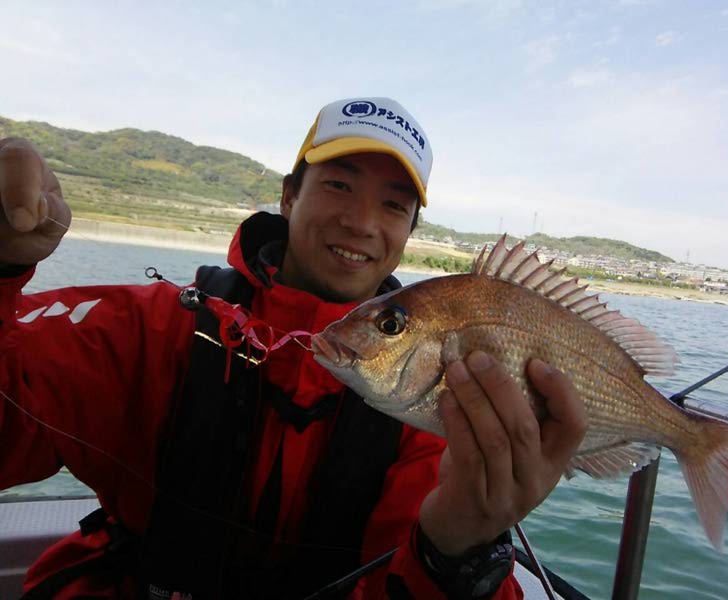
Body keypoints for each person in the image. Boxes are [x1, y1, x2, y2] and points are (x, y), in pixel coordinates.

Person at [0, 97, 586, 599]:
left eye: (393, 205)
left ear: (408, 234)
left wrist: (460, 549)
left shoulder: (439, 403)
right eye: (338, 184)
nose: (361, 221)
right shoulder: (155, 326)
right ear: (288, 197)